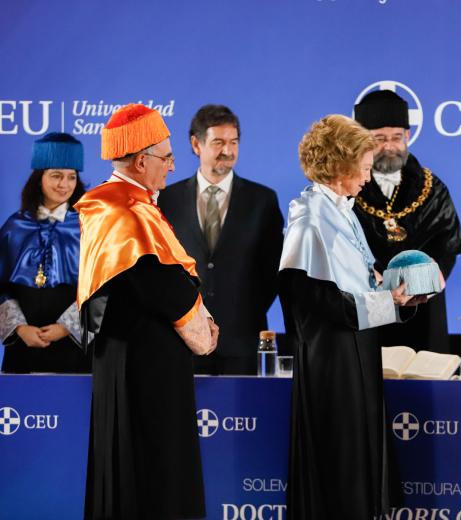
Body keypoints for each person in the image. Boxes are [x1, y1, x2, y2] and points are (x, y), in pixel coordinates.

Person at [76, 104, 217, 519]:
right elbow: (158, 282)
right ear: (141, 160)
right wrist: (201, 327)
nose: (172, 167)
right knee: (152, 473)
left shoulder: (114, 202)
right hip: (144, 363)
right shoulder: (127, 210)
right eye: (167, 157)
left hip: (126, 357)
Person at [280, 114, 424, 519]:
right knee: (338, 470)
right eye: (363, 168)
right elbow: (316, 302)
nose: (367, 177)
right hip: (332, 362)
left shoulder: (343, 210)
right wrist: (389, 304)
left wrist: (397, 299)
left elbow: (360, 281)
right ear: (339, 165)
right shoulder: (310, 219)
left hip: (357, 351)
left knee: (360, 469)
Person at [158, 104, 283, 375]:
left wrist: (241, 308)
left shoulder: (263, 201)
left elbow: (273, 271)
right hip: (183, 340)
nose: (228, 151)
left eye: (233, 142)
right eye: (218, 142)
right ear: (196, 144)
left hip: (243, 340)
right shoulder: (167, 199)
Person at [353, 89, 461, 353]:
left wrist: (418, 289)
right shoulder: (347, 187)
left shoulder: (433, 188)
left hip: (422, 308)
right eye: (379, 138)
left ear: (407, 136)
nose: (390, 146)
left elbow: (446, 245)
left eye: (397, 137)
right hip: (365, 307)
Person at [0, 132, 90, 373]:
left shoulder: (89, 227)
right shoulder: (14, 227)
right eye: (56, 176)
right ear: (39, 177)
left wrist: (66, 326)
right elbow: (1, 287)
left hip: (73, 346)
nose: (64, 185)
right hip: (23, 345)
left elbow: (101, 286)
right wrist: (20, 329)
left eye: (71, 177)